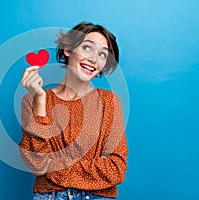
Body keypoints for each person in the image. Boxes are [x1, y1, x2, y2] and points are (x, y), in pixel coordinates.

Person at [19, 22, 128, 200]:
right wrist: (39, 99)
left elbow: (116, 168)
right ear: (68, 50)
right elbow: (37, 164)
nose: (93, 59)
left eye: (102, 55)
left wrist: (53, 168)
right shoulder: (32, 100)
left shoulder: (109, 102)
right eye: (87, 48)